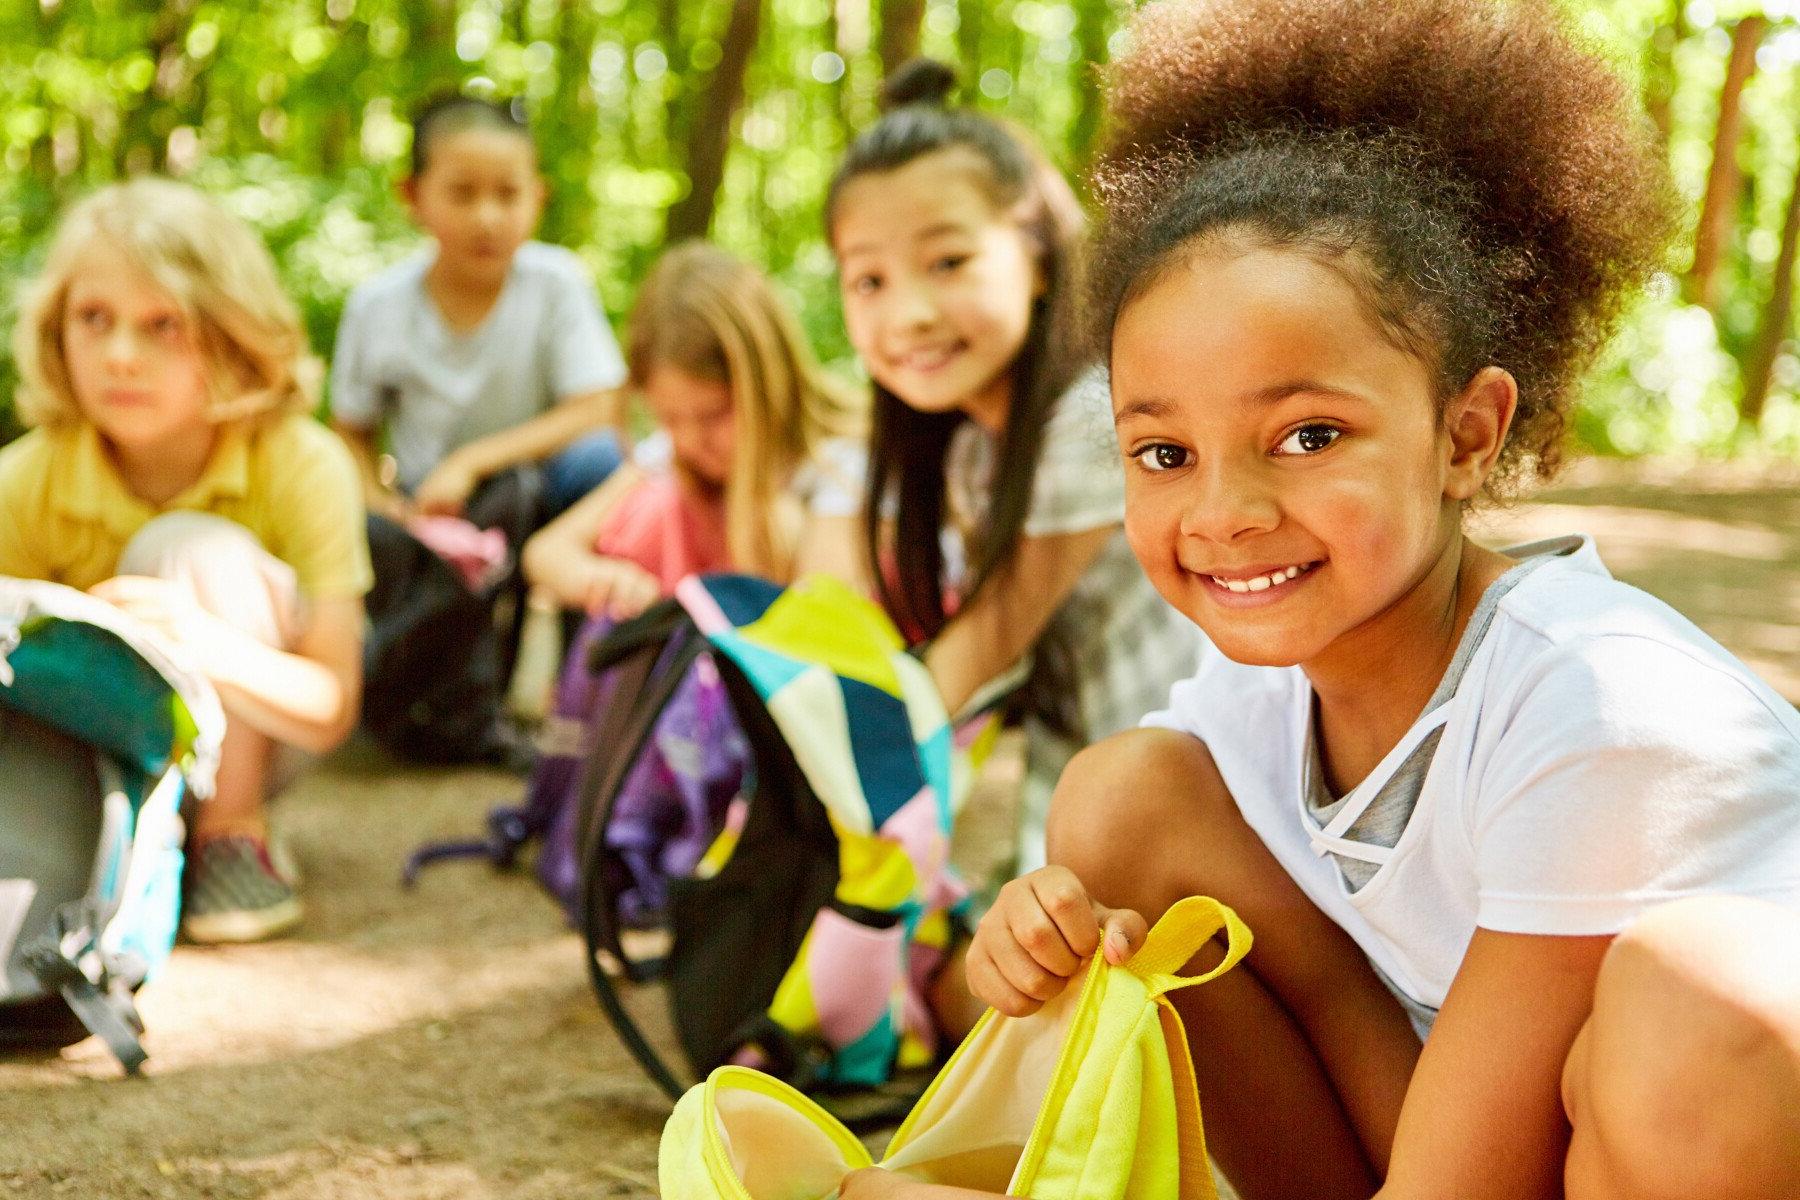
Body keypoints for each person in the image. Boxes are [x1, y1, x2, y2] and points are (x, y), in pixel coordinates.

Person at [917, 3, 1800, 1200]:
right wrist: (1039, 944)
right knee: (1120, 802)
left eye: (1308, 434)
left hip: (1675, 1134)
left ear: (1466, 433)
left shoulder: (1605, 709)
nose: (1223, 512)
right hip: (1468, 1135)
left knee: (1691, 1007)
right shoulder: (1255, 687)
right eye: (1163, 453)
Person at [825, 59, 1206, 883]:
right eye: (869, 279)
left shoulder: (1093, 417)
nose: (909, 314)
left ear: (1036, 259)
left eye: (948, 262)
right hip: (1088, 779)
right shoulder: (971, 453)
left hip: (1201, 796)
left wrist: (820, 789)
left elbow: (986, 644)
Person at [0, 179, 370, 944]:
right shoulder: (26, 479)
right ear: (56, 332)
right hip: (94, 753)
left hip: (260, 732)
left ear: (231, 334)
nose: (121, 356)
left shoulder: (303, 461)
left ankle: (231, 836)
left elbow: (332, 707)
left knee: (186, 549)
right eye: (93, 319)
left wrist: (200, 643)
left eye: (162, 324)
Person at [512, 241, 866, 918]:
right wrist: (605, 577)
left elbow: (817, 621)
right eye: (670, 419)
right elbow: (547, 553)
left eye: (712, 417)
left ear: (766, 383)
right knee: (649, 527)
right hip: (693, 715)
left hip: (785, 713)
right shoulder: (670, 458)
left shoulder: (834, 466)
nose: (691, 439)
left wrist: (760, 511)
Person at [330, 93, 627, 523]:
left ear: (538, 199)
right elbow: (351, 434)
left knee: (602, 459)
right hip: (428, 506)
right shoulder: (377, 305)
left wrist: (471, 462)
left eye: (508, 195)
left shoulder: (558, 282)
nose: (487, 218)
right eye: (462, 194)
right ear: (413, 195)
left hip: (543, 498)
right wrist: (386, 507)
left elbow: (598, 407)